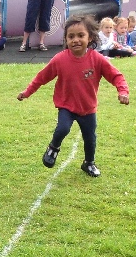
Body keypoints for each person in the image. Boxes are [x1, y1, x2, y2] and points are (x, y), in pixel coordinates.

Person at [16, 15, 129, 178]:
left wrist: (123, 91)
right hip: (66, 106)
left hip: (88, 108)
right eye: (71, 36)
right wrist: (27, 92)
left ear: (90, 37)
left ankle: (88, 163)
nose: (75, 40)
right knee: (63, 128)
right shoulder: (60, 59)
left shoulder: (97, 59)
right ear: (66, 39)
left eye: (80, 35)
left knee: (90, 138)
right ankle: (53, 147)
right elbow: (42, 77)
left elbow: (116, 76)